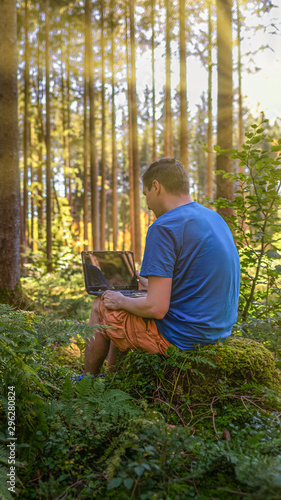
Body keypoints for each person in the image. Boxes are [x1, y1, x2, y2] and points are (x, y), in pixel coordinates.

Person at [84, 158, 240, 376]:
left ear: (156, 187)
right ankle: (113, 380)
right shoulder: (213, 218)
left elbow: (156, 308)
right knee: (127, 300)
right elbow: (196, 280)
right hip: (218, 330)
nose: (147, 203)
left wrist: (121, 300)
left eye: (146, 193)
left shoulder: (164, 226)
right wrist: (148, 285)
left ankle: (86, 383)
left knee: (101, 304)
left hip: (183, 336)